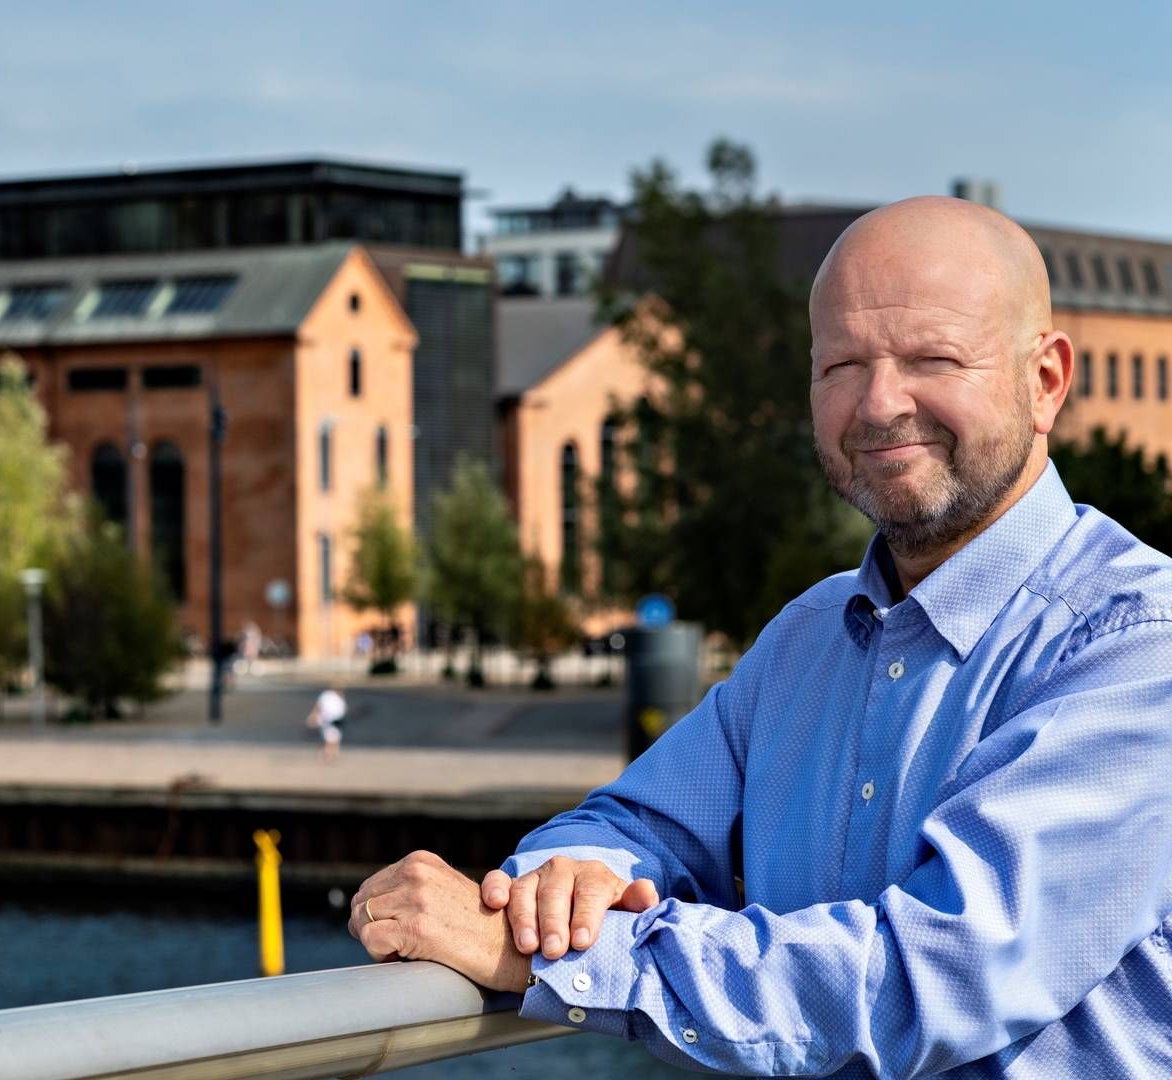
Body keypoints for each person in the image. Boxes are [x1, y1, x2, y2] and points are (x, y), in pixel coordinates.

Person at [348, 197, 1172, 1076]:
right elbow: (635, 821)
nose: (880, 404)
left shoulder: (1136, 647)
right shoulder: (808, 639)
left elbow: (930, 977)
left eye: (932, 359)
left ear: (1045, 380)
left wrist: (552, 956)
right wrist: (560, 886)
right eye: (841, 365)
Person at [306, 683, 347, 763]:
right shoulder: (327, 696)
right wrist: (313, 716)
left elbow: (342, 709)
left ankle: (330, 755)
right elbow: (318, 706)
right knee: (331, 740)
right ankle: (325, 755)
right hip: (328, 720)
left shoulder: (339, 697)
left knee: (335, 739)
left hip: (337, 720)